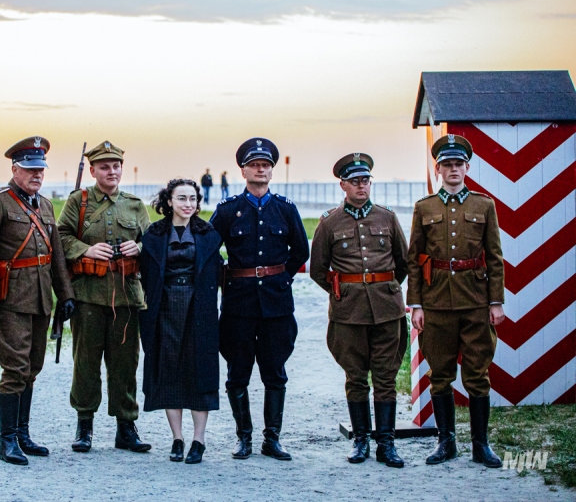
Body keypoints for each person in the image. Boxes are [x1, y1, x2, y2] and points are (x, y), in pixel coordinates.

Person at [0, 136, 75, 466]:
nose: (37, 175)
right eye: (30, 169)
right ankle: (7, 441)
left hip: (41, 298)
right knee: (15, 369)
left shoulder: (44, 205)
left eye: (40, 169)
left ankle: (22, 434)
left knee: (32, 368)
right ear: (15, 169)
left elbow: (55, 255)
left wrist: (66, 294)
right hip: (10, 299)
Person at [408, 134, 505, 468]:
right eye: (447, 164)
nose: (453, 170)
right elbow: (415, 259)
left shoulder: (484, 205)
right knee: (440, 374)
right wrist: (416, 305)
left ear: (467, 167)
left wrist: (496, 302)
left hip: (476, 302)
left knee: (478, 374)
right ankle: (445, 442)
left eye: (458, 164)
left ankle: (481, 445)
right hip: (436, 306)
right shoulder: (424, 208)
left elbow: (495, 258)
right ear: (438, 169)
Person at [210, 137, 310, 461]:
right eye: (254, 164)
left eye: (266, 165)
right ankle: (244, 438)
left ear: (271, 171)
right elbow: (209, 250)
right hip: (239, 304)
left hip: (277, 305)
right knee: (237, 372)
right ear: (243, 171)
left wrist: (280, 277)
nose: (261, 169)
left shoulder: (285, 209)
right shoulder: (227, 211)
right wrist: (222, 277)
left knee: (275, 371)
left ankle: (273, 439)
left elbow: (301, 252)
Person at [309, 153, 408, 468]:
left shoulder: (387, 218)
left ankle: (387, 444)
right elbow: (318, 269)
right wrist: (344, 291)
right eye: (355, 181)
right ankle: (362, 440)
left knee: (386, 377)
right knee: (355, 377)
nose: (361, 186)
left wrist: (383, 288)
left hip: (387, 309)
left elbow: (403, 263)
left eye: (365, 180)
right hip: (348, 313)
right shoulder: (329, 222)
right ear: (343, 185)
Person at [56, 140, 152, 453]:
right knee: (86, 363)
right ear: (94, 170)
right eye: (105, 167)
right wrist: (86, 249)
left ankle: (126, 427)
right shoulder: (78, 201)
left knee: (125, 364)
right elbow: (61, 236)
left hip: (126, 297)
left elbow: (151, 242)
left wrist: (139, 248)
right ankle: (85, 426)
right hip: (88, 296)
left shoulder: (135, 205)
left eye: (116, 166)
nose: (112, 172)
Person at [139, 179, 224, 464]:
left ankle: (199, 440)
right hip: (163, 310)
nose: (188, 204)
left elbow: (219, 273)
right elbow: (145, 275)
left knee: (200, 371)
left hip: (200, 310)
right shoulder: (153, 235)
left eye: (192, 199)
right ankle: (177, 438)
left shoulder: (210, 234)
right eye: (182, 198)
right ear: (169, 202)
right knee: (168, 370)